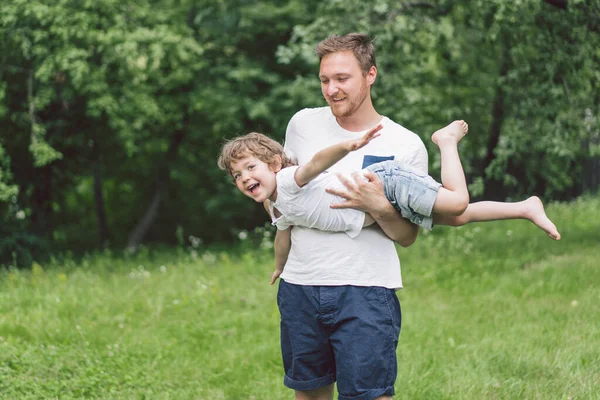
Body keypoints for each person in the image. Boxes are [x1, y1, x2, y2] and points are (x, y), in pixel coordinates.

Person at [217, 120, 560, 281]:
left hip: (386, 184)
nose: (245, 177)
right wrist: (280, 266)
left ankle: (446, 141)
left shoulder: (287, 181)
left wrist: (347, 147)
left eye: (250, 167)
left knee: (456, 204)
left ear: (274, 164)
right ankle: (525, 208)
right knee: (458, 217)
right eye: (238, 175)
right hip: (376, 208)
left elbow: (316, 163)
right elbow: (283, 235)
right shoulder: (275, 205)